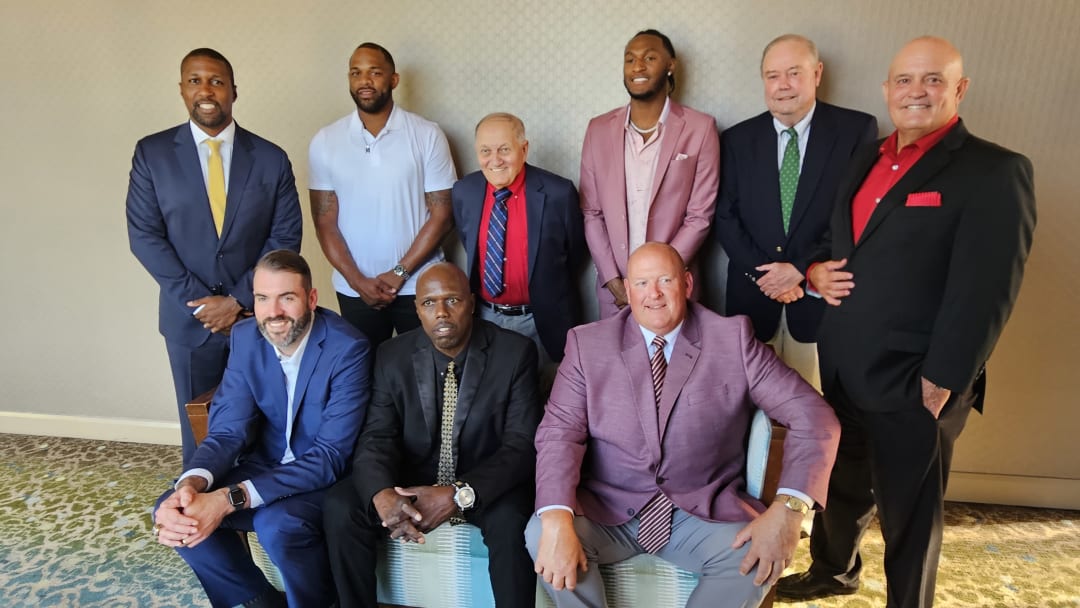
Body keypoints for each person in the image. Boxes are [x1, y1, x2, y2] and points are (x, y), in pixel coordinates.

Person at [776, 37, 1037, 607]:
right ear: (887, 89)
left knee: (909, 515)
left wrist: (944, 377)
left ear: (959, 89)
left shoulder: (994, 172)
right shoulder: (866, 156)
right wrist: (816, 270)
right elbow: (837, 241)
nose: (916, 91)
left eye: (933, 80)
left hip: (918, 382)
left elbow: (988, 290)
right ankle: (833, 571)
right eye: (904, 80)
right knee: (842, 487)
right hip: (845, 365)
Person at [526, 243, 840, 608]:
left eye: (665, 280)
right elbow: (559, 433)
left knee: (759, 557)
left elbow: (814, 415)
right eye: (642, 283)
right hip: (607, 511)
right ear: (627, 291)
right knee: (540, 532)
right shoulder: (587, 345)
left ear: (688, 284)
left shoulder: (732, 339)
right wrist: (556, 519)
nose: (653, 294)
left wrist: (789, 510)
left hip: (699, 511)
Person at [151, 250, 371, 608]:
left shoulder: (348, 348)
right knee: (173, 508)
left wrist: (227, 498)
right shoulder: (245, 337)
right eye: (263, 299)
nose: (274, 313)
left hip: (327, 478)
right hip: (266, 464)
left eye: (287, 297)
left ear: (311, 299)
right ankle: (257, 601)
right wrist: (191, 485)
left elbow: (330, 457)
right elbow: (226, 431)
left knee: (277, 525)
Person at [323, 262, 543, 608]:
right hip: (414, 478)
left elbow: (521, 446)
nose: (441, 313)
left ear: (471, 303)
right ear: (417, 309)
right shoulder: (391, 355)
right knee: (341, 506)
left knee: (510, 520)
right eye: (429, 303)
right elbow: (377, 436)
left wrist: (458, 494)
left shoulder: (514, 353)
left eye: (451, 300)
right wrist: (381, 493)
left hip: (483, 481)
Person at [127, 48, 303, 466]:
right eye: (195, 80)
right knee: (200, 432)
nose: (206, 90)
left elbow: (284, 238)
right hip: (189, 323)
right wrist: (205, 305)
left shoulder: (271, 158)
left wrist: (240, 300)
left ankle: (259, 509)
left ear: (234, 92)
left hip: (258, 318)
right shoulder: (152, 154)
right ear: (182, 89)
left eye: (217, 81)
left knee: (267, 425)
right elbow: (145, 236)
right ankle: (206, 518)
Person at [714, 34, 877, 390]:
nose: (783, 85)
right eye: (773, 75)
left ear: (817, 74)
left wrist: (801, 270)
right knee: (750, 415)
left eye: (794, 73)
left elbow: (856, 214)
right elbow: (725, 216)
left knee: (816, 416)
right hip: (752, 299)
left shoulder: (856, 131)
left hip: (819, 302)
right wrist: (768, 277)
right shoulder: (737, 139)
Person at [309, 42, 457, 352]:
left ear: (393, 80)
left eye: (375, 72)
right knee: (361, 380)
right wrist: (357, 281)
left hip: (419, 285)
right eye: (356, 73)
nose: (365, 81)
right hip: (354, 290)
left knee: (426, 379)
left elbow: (443, 215)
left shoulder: (427, 134)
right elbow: (325, 223)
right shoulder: (325, 141)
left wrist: (399, 273)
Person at [580, 29, 720, 318]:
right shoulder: (598, 129)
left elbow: (700, 216)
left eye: (650, 58)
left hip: (675, 286)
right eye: (629, 59)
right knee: (618, 362)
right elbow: (592, 213)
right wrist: (612, 280)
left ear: (671, 65)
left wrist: (657, 279)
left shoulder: (701, 128)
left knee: (680, 362)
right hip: (615, 291)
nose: (638, 66)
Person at [452, 112, 586, 383]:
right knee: (491, 399)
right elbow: (469, 243)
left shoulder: (558, 193)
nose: (495, 160)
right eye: (485, 151)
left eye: (504, 149)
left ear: (524, 149)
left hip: (541, 321)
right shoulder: (464, 191)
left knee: (542, 401)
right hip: (484, 319)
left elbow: (576, 255)